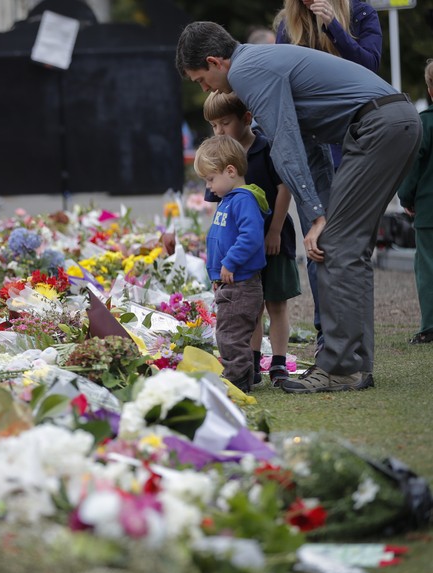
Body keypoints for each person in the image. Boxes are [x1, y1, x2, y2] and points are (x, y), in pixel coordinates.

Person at [175, 21, 421, 393]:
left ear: (214, 61)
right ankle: (355, 366)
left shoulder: (245, 70)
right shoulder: (259, 60)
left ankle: (341, 368)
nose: (205, 89)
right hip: (389, 122)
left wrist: (320, 217)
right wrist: (318, 211)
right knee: (347, 248)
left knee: (336, 245)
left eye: (200, 80)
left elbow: (285, 145)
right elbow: (312, 147)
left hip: (377, 127)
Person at [275, 0, 382, 356]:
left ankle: (356, 340)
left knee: (350, 248)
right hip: (312, 151)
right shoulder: (287, 26)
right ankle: (327, 337)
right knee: (317, 247)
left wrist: (335, 26)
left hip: (357, 143)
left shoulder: (361, 13)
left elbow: (371, 67)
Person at [203, 92, 301, 387]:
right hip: (242, 251)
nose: (219, 130)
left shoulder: (265, 148)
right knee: (250, 307)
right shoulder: (219, 158)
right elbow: (219, 210)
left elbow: (285, 188)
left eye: (225, 123)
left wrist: (273, 230)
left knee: (276, 302)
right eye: (213, 125)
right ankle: (253, 362)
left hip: (273, 238)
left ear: (246, 119)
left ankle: (280, 363)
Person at [195, 135, 268, 391]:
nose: (209, 186)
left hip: (241, 282)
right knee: (228, 331)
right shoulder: (228, 200)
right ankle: (241, 375)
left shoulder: (243, 200)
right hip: (229, 282)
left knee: (231, 334)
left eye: (210, 179)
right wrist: (217, 277)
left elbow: (251, 236)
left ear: (230, 170)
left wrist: (231, 262)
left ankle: (237, 379)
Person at [398, 59, 433, 345]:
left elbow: (414, 165)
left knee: (428, 267)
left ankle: (430, 325)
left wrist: (405, 197)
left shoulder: (425, 123)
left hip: (429, 209)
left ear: (430, 89)